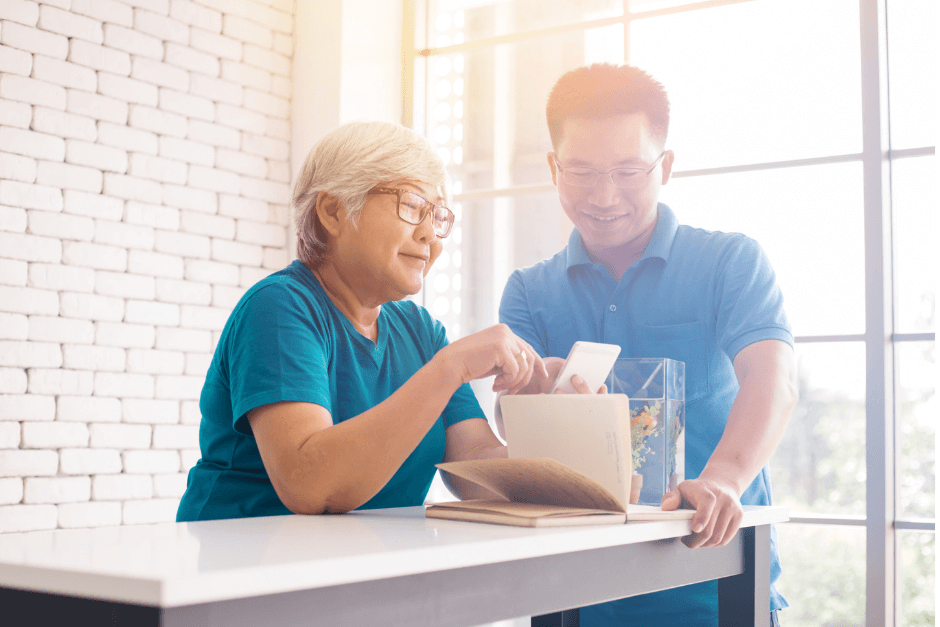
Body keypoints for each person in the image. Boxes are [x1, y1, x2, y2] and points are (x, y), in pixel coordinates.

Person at [497, 64, 797, 627]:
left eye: (628, 171)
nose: (604, 196)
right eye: (581, 172)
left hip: (716, 588)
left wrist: (722, 479)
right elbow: (512, 425)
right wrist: (537, 398)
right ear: (553, 168)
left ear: (667, 167)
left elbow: (773, 380)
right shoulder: (527, 292)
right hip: (569, 599)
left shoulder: (730, 263)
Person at [177, 121, 547, 522]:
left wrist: (558, 429)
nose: (430, 236)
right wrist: (450, 368)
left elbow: (476, 462)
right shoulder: (280, 307)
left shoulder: (420, 330)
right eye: (410, 206)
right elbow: (310, 485)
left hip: (359, 567)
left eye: (437, 215)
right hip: (240, 567)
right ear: (333, 211)